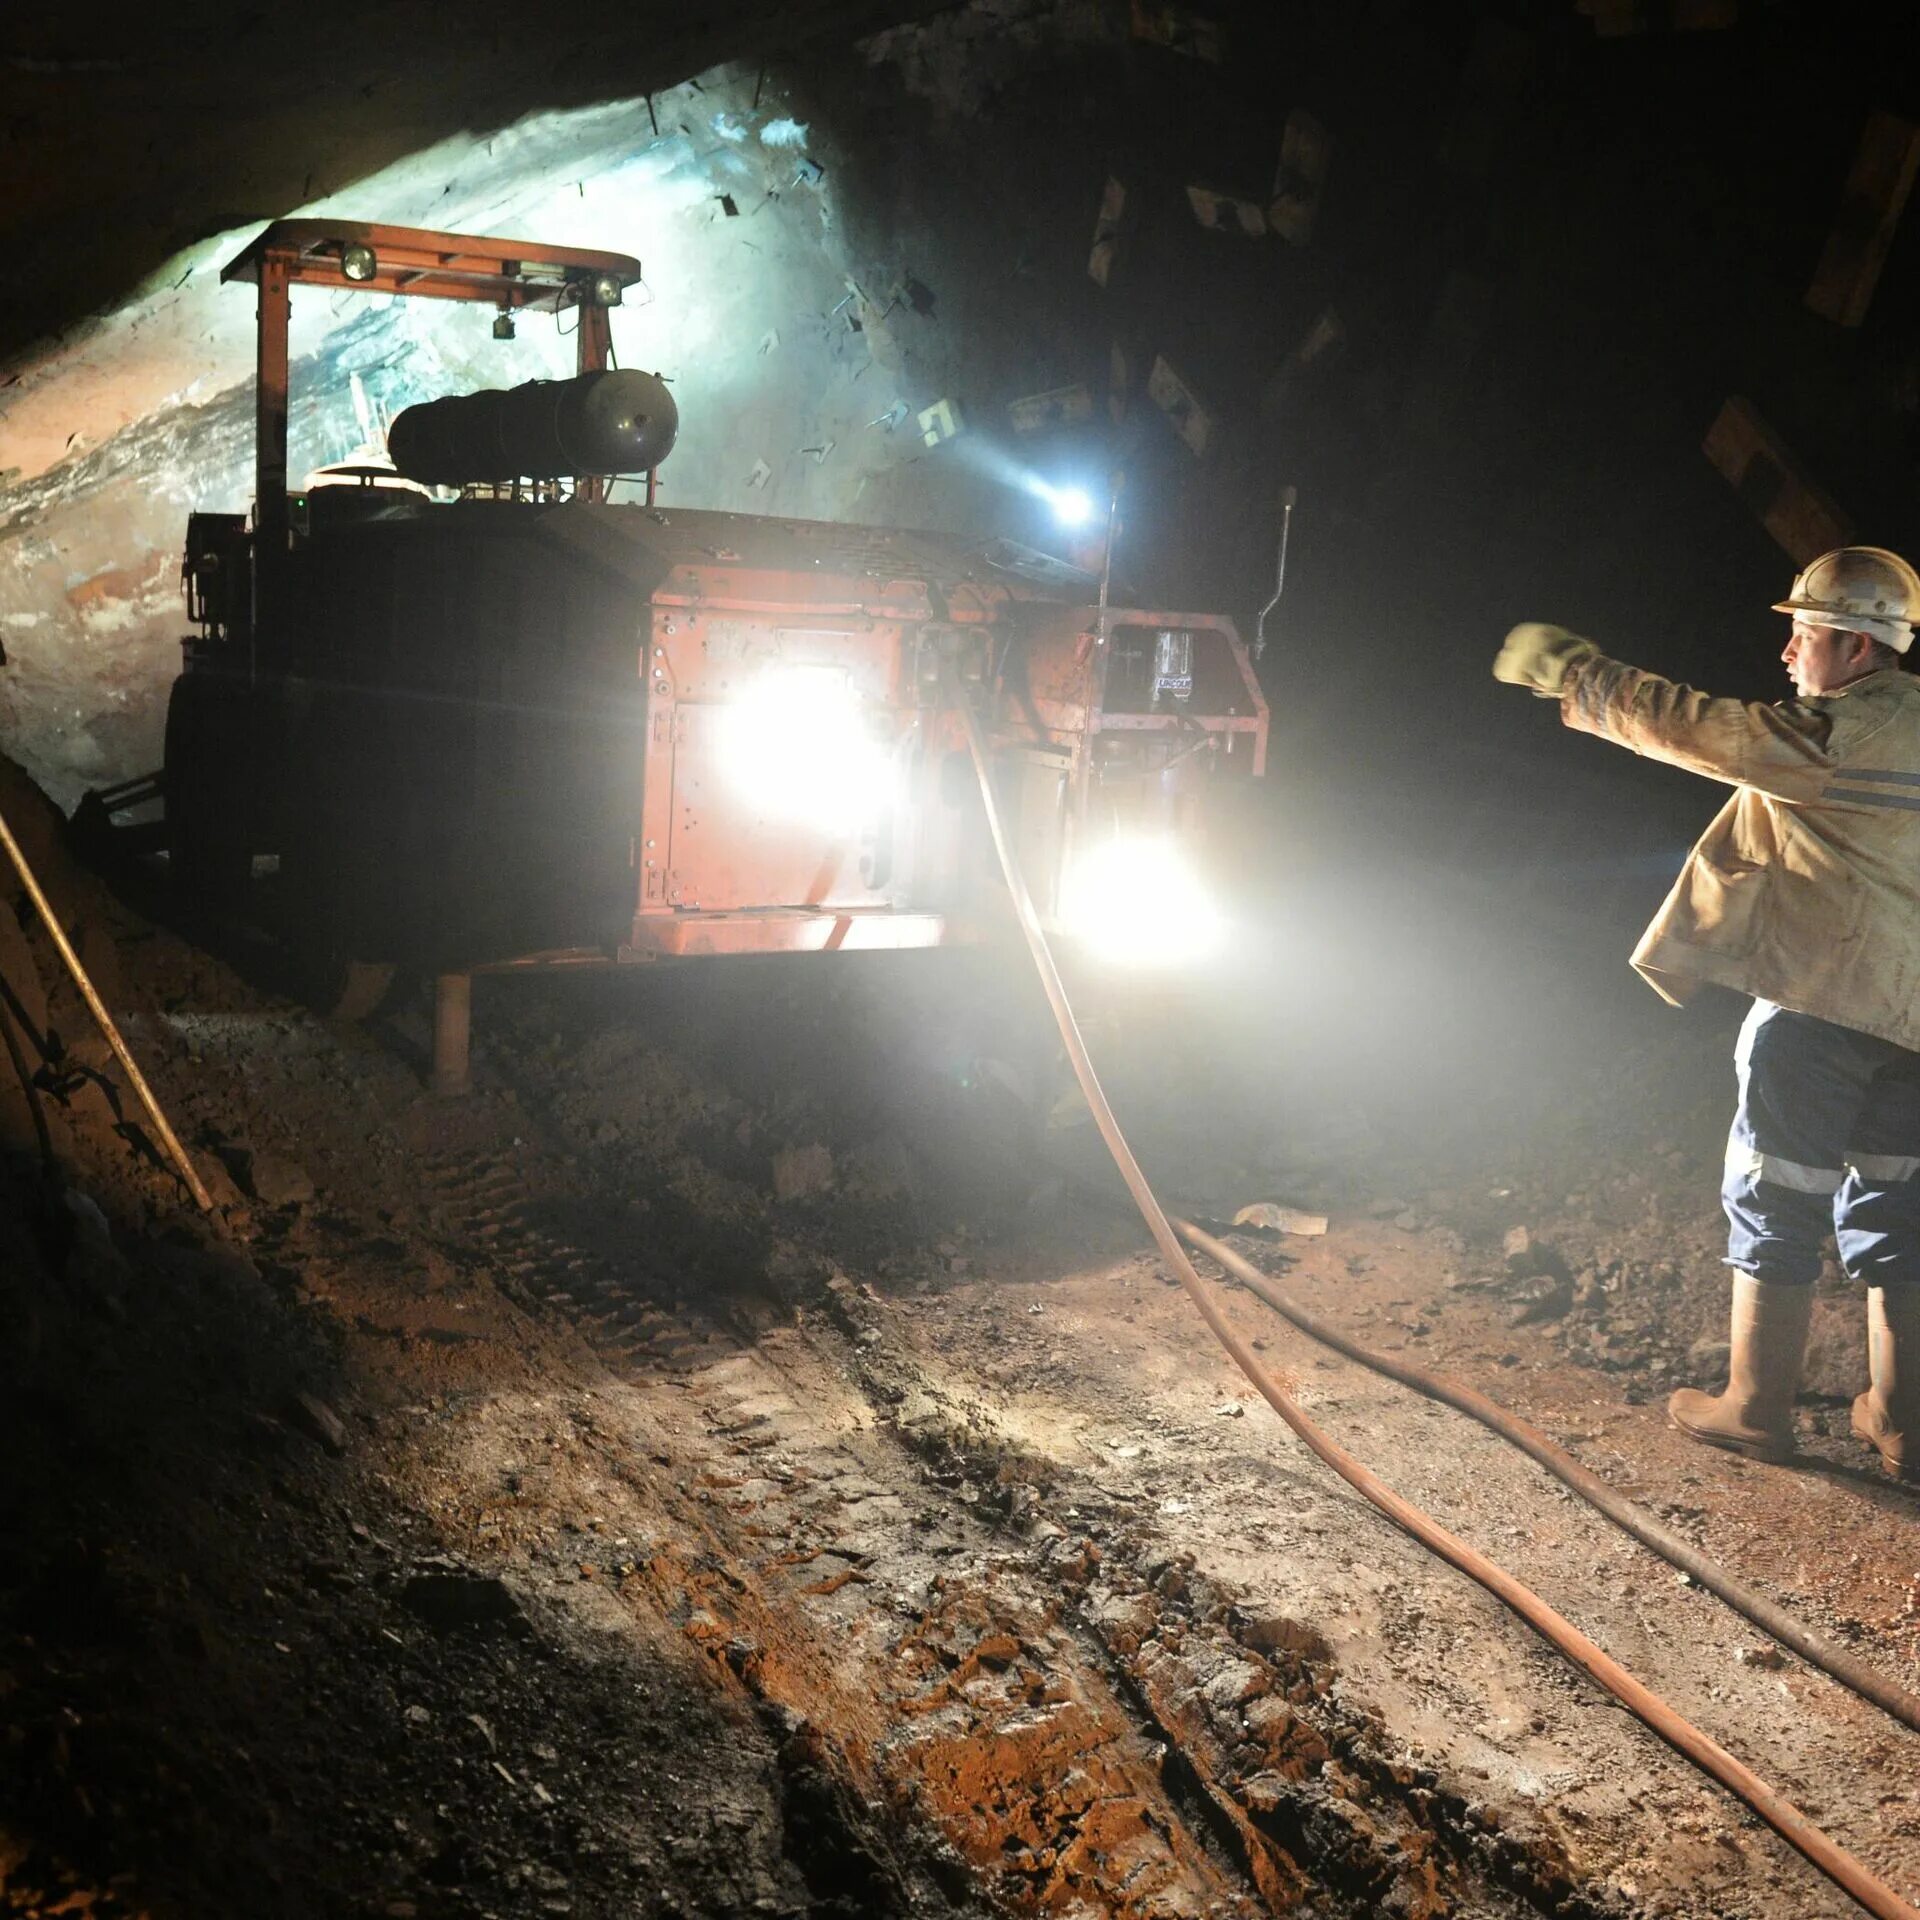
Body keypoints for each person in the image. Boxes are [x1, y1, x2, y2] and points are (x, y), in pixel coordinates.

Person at [1492, 546, 1920, 1481]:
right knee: (1901, 1205)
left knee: (1779, 1190)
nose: (1785, 654)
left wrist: (1582, 677)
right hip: (1915, 1026)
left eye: (1801, 633)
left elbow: (1700, 731)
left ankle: (1755, 1409)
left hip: (1819, 1003)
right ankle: (1902, 1423)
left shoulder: (1834, 738)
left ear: (1852, 645)